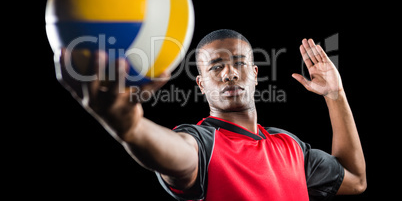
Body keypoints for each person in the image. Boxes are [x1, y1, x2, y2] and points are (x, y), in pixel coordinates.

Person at [55, 29, 366, 200]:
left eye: (239, 63)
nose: (229, 73)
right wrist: (131, 128)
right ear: (202, 85)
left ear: (256, 74)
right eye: (216, 67)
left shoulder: (290, 147)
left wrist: (336, 96)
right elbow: (177, 154)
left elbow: (356, 181)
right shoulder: (202, 143)